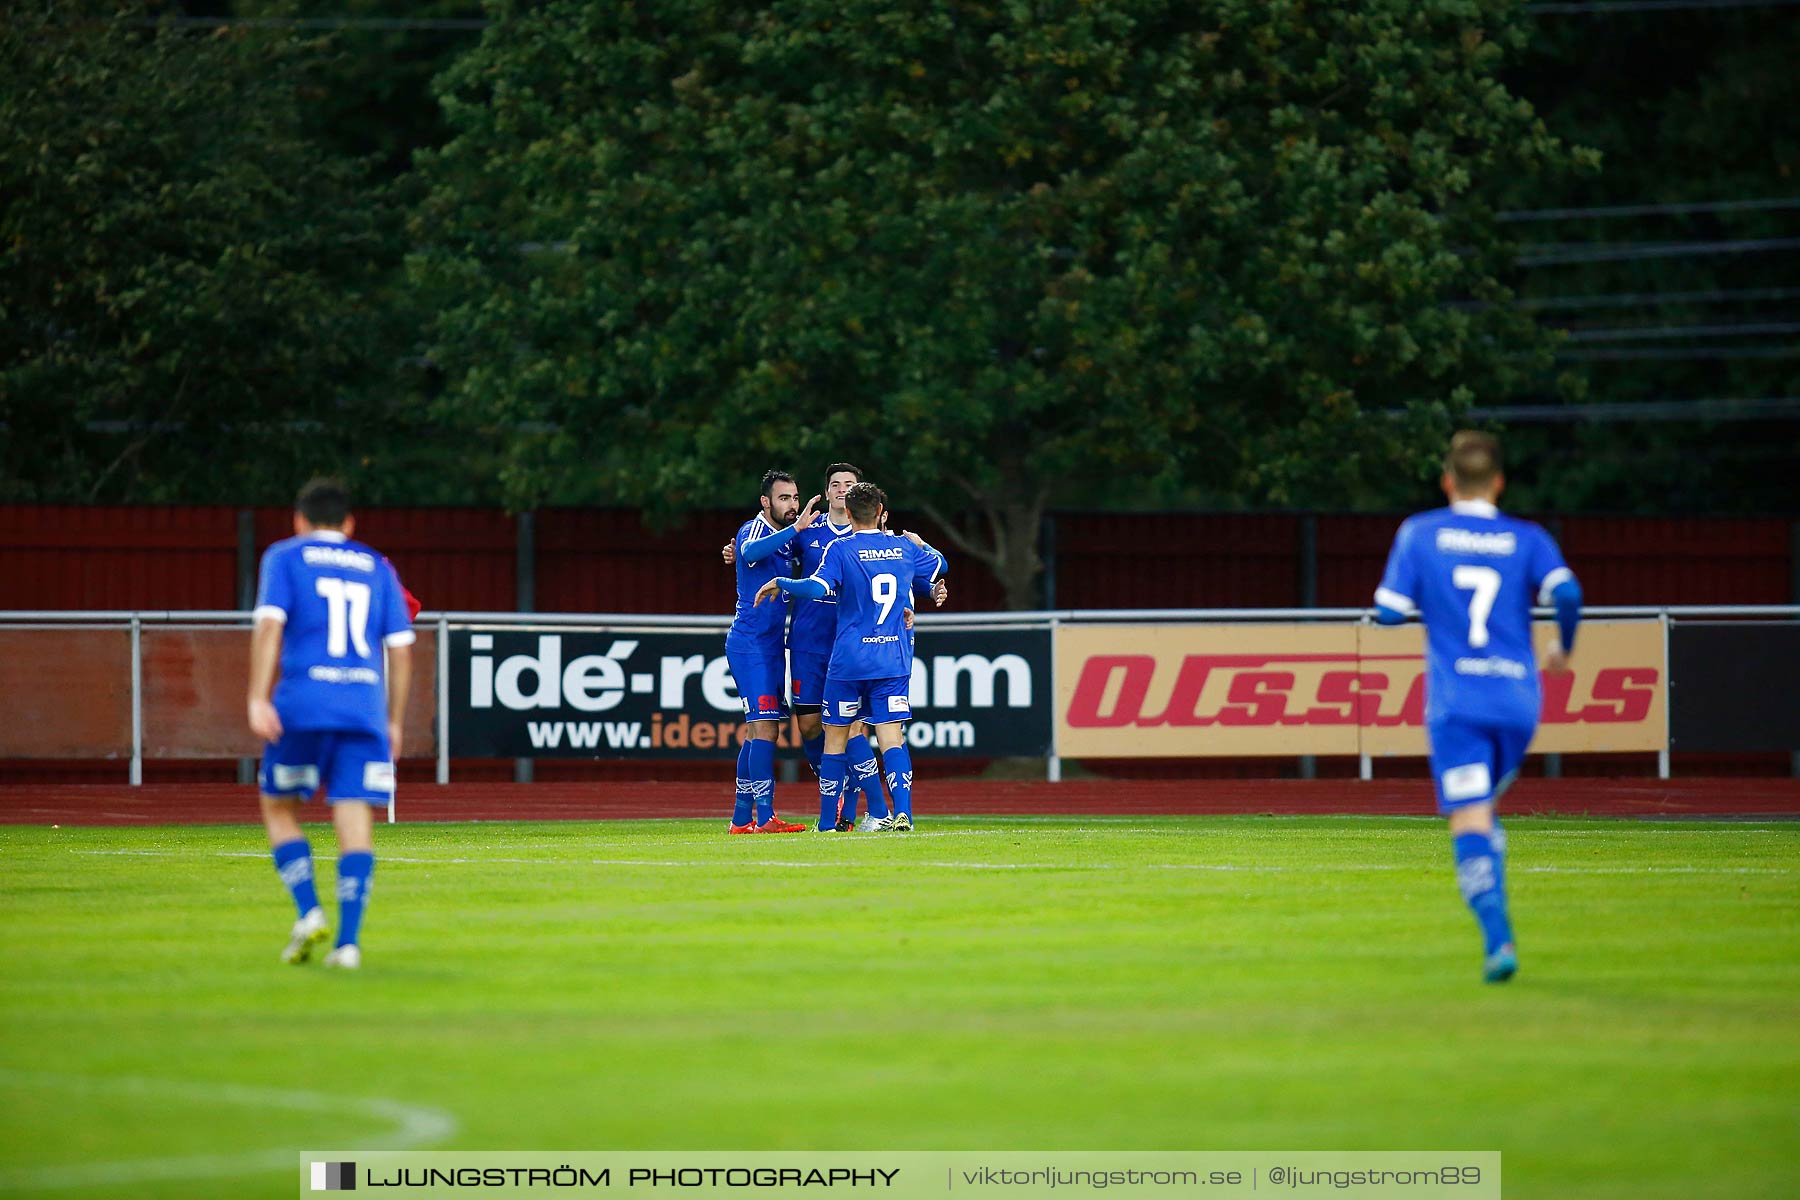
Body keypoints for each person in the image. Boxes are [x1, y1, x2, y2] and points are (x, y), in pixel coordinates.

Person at [1374, 432, 1582, 983]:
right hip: (1518, 699)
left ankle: (1499, 940)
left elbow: (1389, 612)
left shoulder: (1420, 533)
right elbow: (1567, 594)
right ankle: (1491, 854)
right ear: (1498, 483)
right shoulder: (1528, 538)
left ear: (1447, 481)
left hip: (1457, 702)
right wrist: (1564, 645)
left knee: (1469, 816)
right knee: (1484, 808)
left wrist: (1423, 602)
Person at [248, 478, 416, 970]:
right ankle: (348, 945)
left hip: (303, 703)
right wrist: (395, 721)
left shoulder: (285, 556)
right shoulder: (376, 565)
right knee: (355, 819)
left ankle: (308, 910)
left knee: (277, 807)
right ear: (349, 523)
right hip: (364, 710)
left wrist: (258, 697)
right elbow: (402, 649)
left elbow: (270, 625)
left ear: (298, 520)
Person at [723, 463, 947, 830]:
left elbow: (907, 575)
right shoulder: (806, 531)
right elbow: (763, 551)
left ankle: (867, 809)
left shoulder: (875, 534)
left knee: (851, 727)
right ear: (827, 493)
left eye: (850, 484)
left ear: (859, 494)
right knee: (812, 727)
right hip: (811, 643)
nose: (842, 489)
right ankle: (845, 799)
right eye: (835, 484)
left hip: (848, 648)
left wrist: (927, 589)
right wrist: (736, 552)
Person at [723, 470, 816, 834]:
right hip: (750, 645)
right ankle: (765, 818)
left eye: (794, 498)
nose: (792, 505)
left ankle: (741, 819)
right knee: (766, 730)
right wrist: (795, 529)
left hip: (772, 645)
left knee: (757, 731)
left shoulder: (788, 536)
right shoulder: (756, 529)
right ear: (766, 502)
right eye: (783, 499)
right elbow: (747, 550)